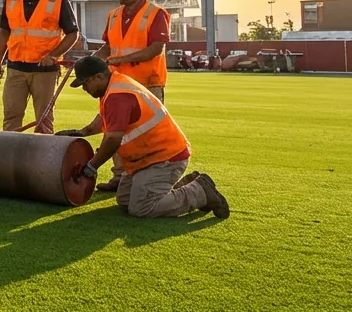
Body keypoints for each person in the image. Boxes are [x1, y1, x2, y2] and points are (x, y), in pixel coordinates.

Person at [56, 56, 229, 219]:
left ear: (99, 76)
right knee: (124, 200)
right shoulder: (113, 87)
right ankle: (187, 184)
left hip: (165, 158)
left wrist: (91, 166)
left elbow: (112, 140)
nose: (84, 89)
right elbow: (105, 119)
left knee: (141, 206)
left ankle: (200, 191)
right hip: (146, 160)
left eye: (85, 83)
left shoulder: (117, 96)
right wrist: (82, 132)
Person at [91, 0, 170, 193]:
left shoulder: (156, 14)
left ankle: (145, 177)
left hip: (147, 83)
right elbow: (107, 46)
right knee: (115, 129)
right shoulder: (114, 15)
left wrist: (123, 59)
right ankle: (120, 177)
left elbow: (156, 48)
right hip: (118, 84)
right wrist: (93, 59)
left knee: (146, 133)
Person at [0, 0, 81, 134]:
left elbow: (73, 33)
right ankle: (9, 158)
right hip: (16, 68)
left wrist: (54, 55)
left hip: (44, 71)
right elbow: (4, 32)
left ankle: (41, 160)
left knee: (43, 121)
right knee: (11, 118)